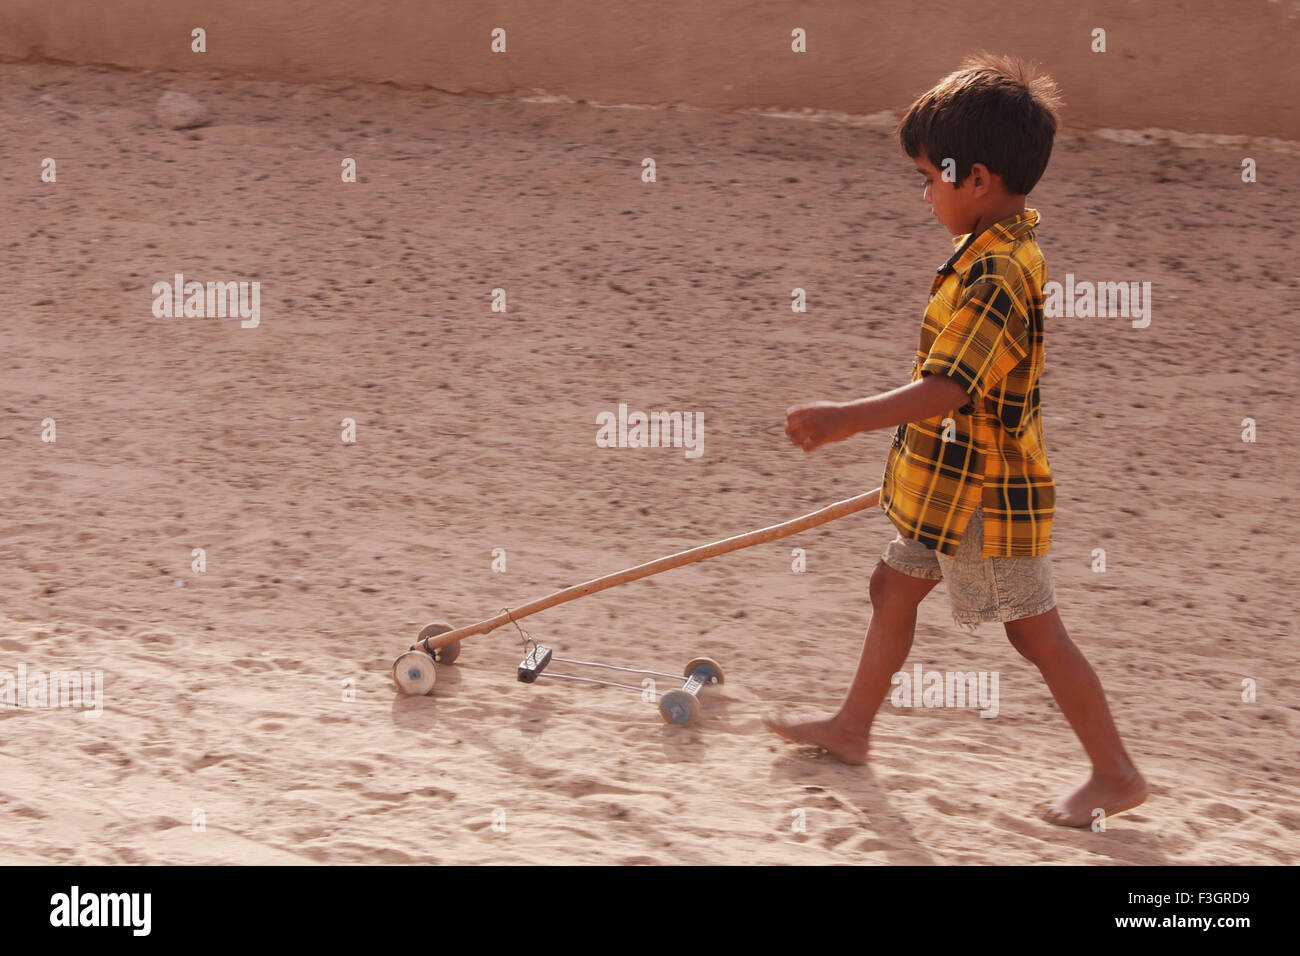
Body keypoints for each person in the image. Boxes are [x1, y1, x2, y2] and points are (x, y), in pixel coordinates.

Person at [767, 53, 1147, 828]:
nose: (926, 194)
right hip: (944, 482)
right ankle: (852, 728)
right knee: (893, 587)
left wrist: (845, 417)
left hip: (984, 493)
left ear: (974, 178)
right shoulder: (988, 252)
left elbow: (953, 387)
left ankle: (1114, 773)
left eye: (927, 178)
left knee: (1034, 633)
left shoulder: (999, 272)